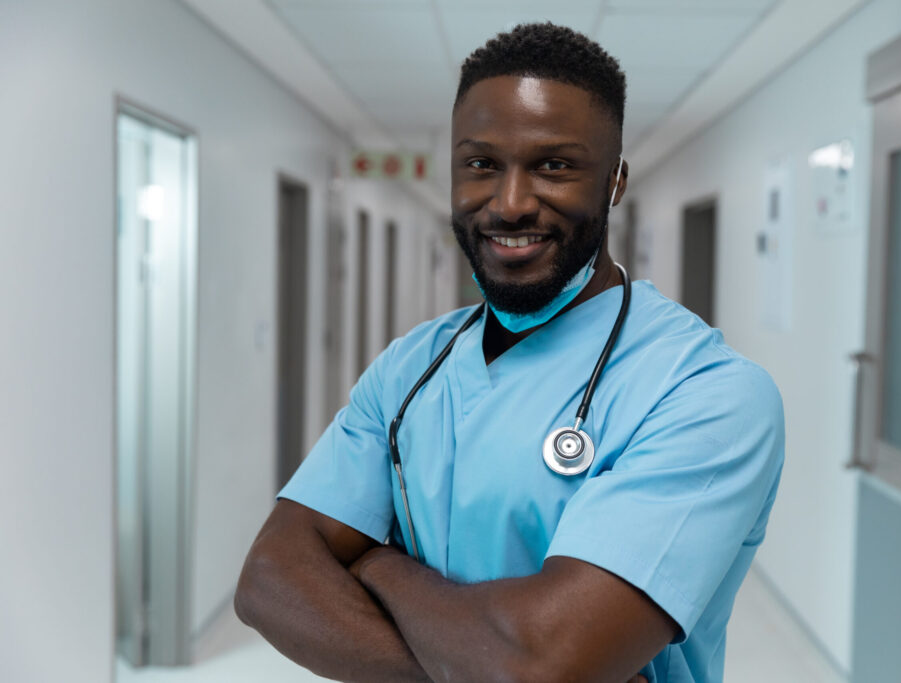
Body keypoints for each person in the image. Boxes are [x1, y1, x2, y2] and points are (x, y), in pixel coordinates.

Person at [235, 23, 784, 683]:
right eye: (481, 164)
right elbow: (268, 578)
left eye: (553, 165)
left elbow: (537, 665)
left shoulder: (706, 394)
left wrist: (375, 563)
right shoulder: (412, 367)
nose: (512, 202)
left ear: (613, 181)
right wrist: (479, 663)